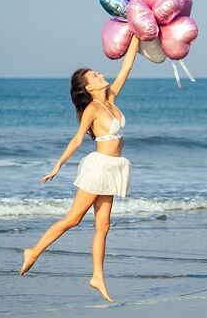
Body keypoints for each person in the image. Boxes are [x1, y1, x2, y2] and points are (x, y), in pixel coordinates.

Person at [19, 35, 140, 303]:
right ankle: (34, 251)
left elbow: (127, 66)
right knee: (73, 219)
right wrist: (58, 165)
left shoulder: (111, 97)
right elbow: (77, 139)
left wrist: (136, 36)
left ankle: (97, 276)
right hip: (98, 169)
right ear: (88, 88)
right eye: (94, 76)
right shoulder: (93, 109)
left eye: (97, 73)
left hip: (114, 169)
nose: (100, 75)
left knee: (103, 226)